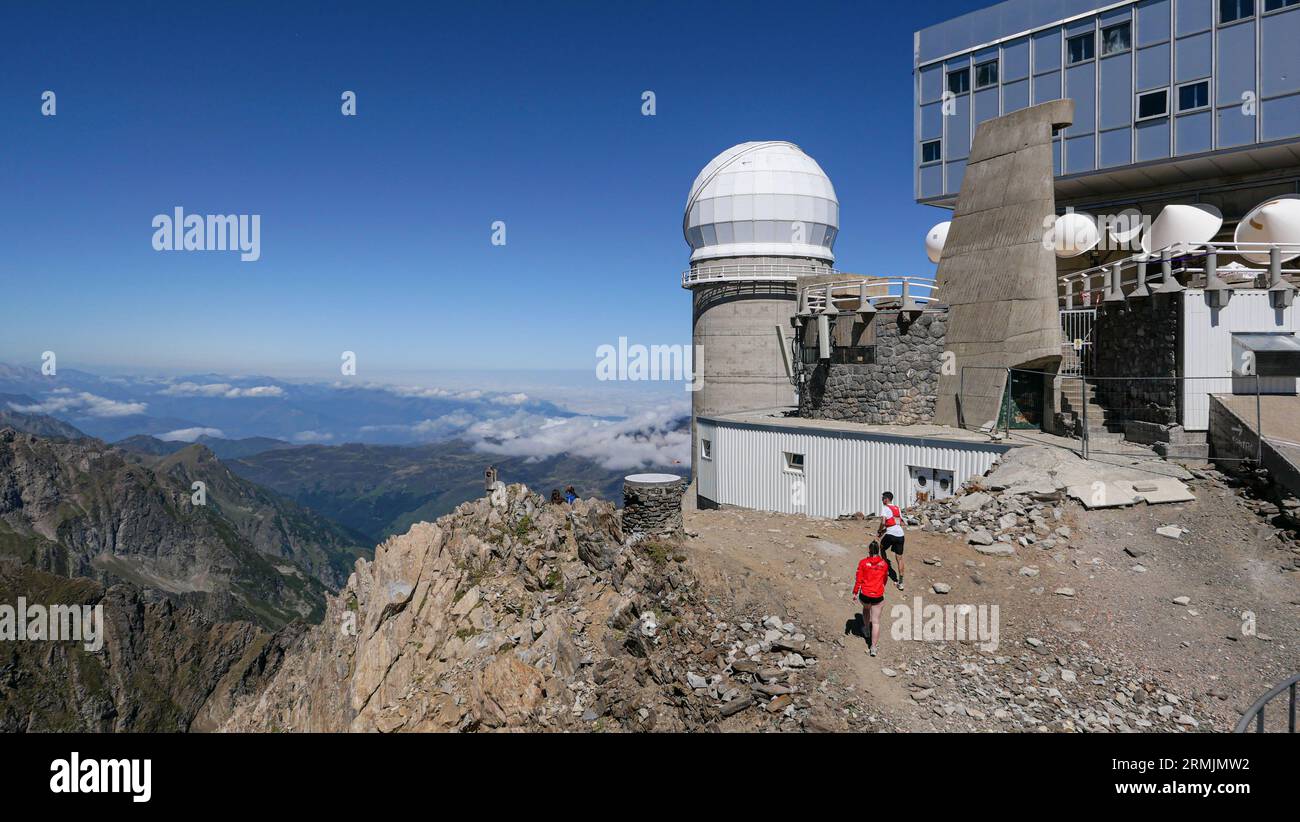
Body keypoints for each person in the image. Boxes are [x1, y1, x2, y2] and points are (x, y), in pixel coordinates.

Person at [852, 541, 889, 657]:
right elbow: (885, 579)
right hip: (877, 595)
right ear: (878, 550)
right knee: (876, 621)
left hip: (865, 594)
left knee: (866, 609)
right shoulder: (884, 564)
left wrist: (855, 592)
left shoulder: (863, 562)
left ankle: (867, 629)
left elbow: (859, 578)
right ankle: (873, 647)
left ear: (869, 550)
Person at [877, 490, 906, 591]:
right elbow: (898, 522)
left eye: (882, 498)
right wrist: (886, 529)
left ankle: (885, 568)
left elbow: (883, 521)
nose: (881, 500)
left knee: (881, 547)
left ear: (886, 499)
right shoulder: (897, 508)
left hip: (890, 534)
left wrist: (880, 530)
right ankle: (900, 583)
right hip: (900, 535)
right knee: (900, 559)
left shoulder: (885, 508)